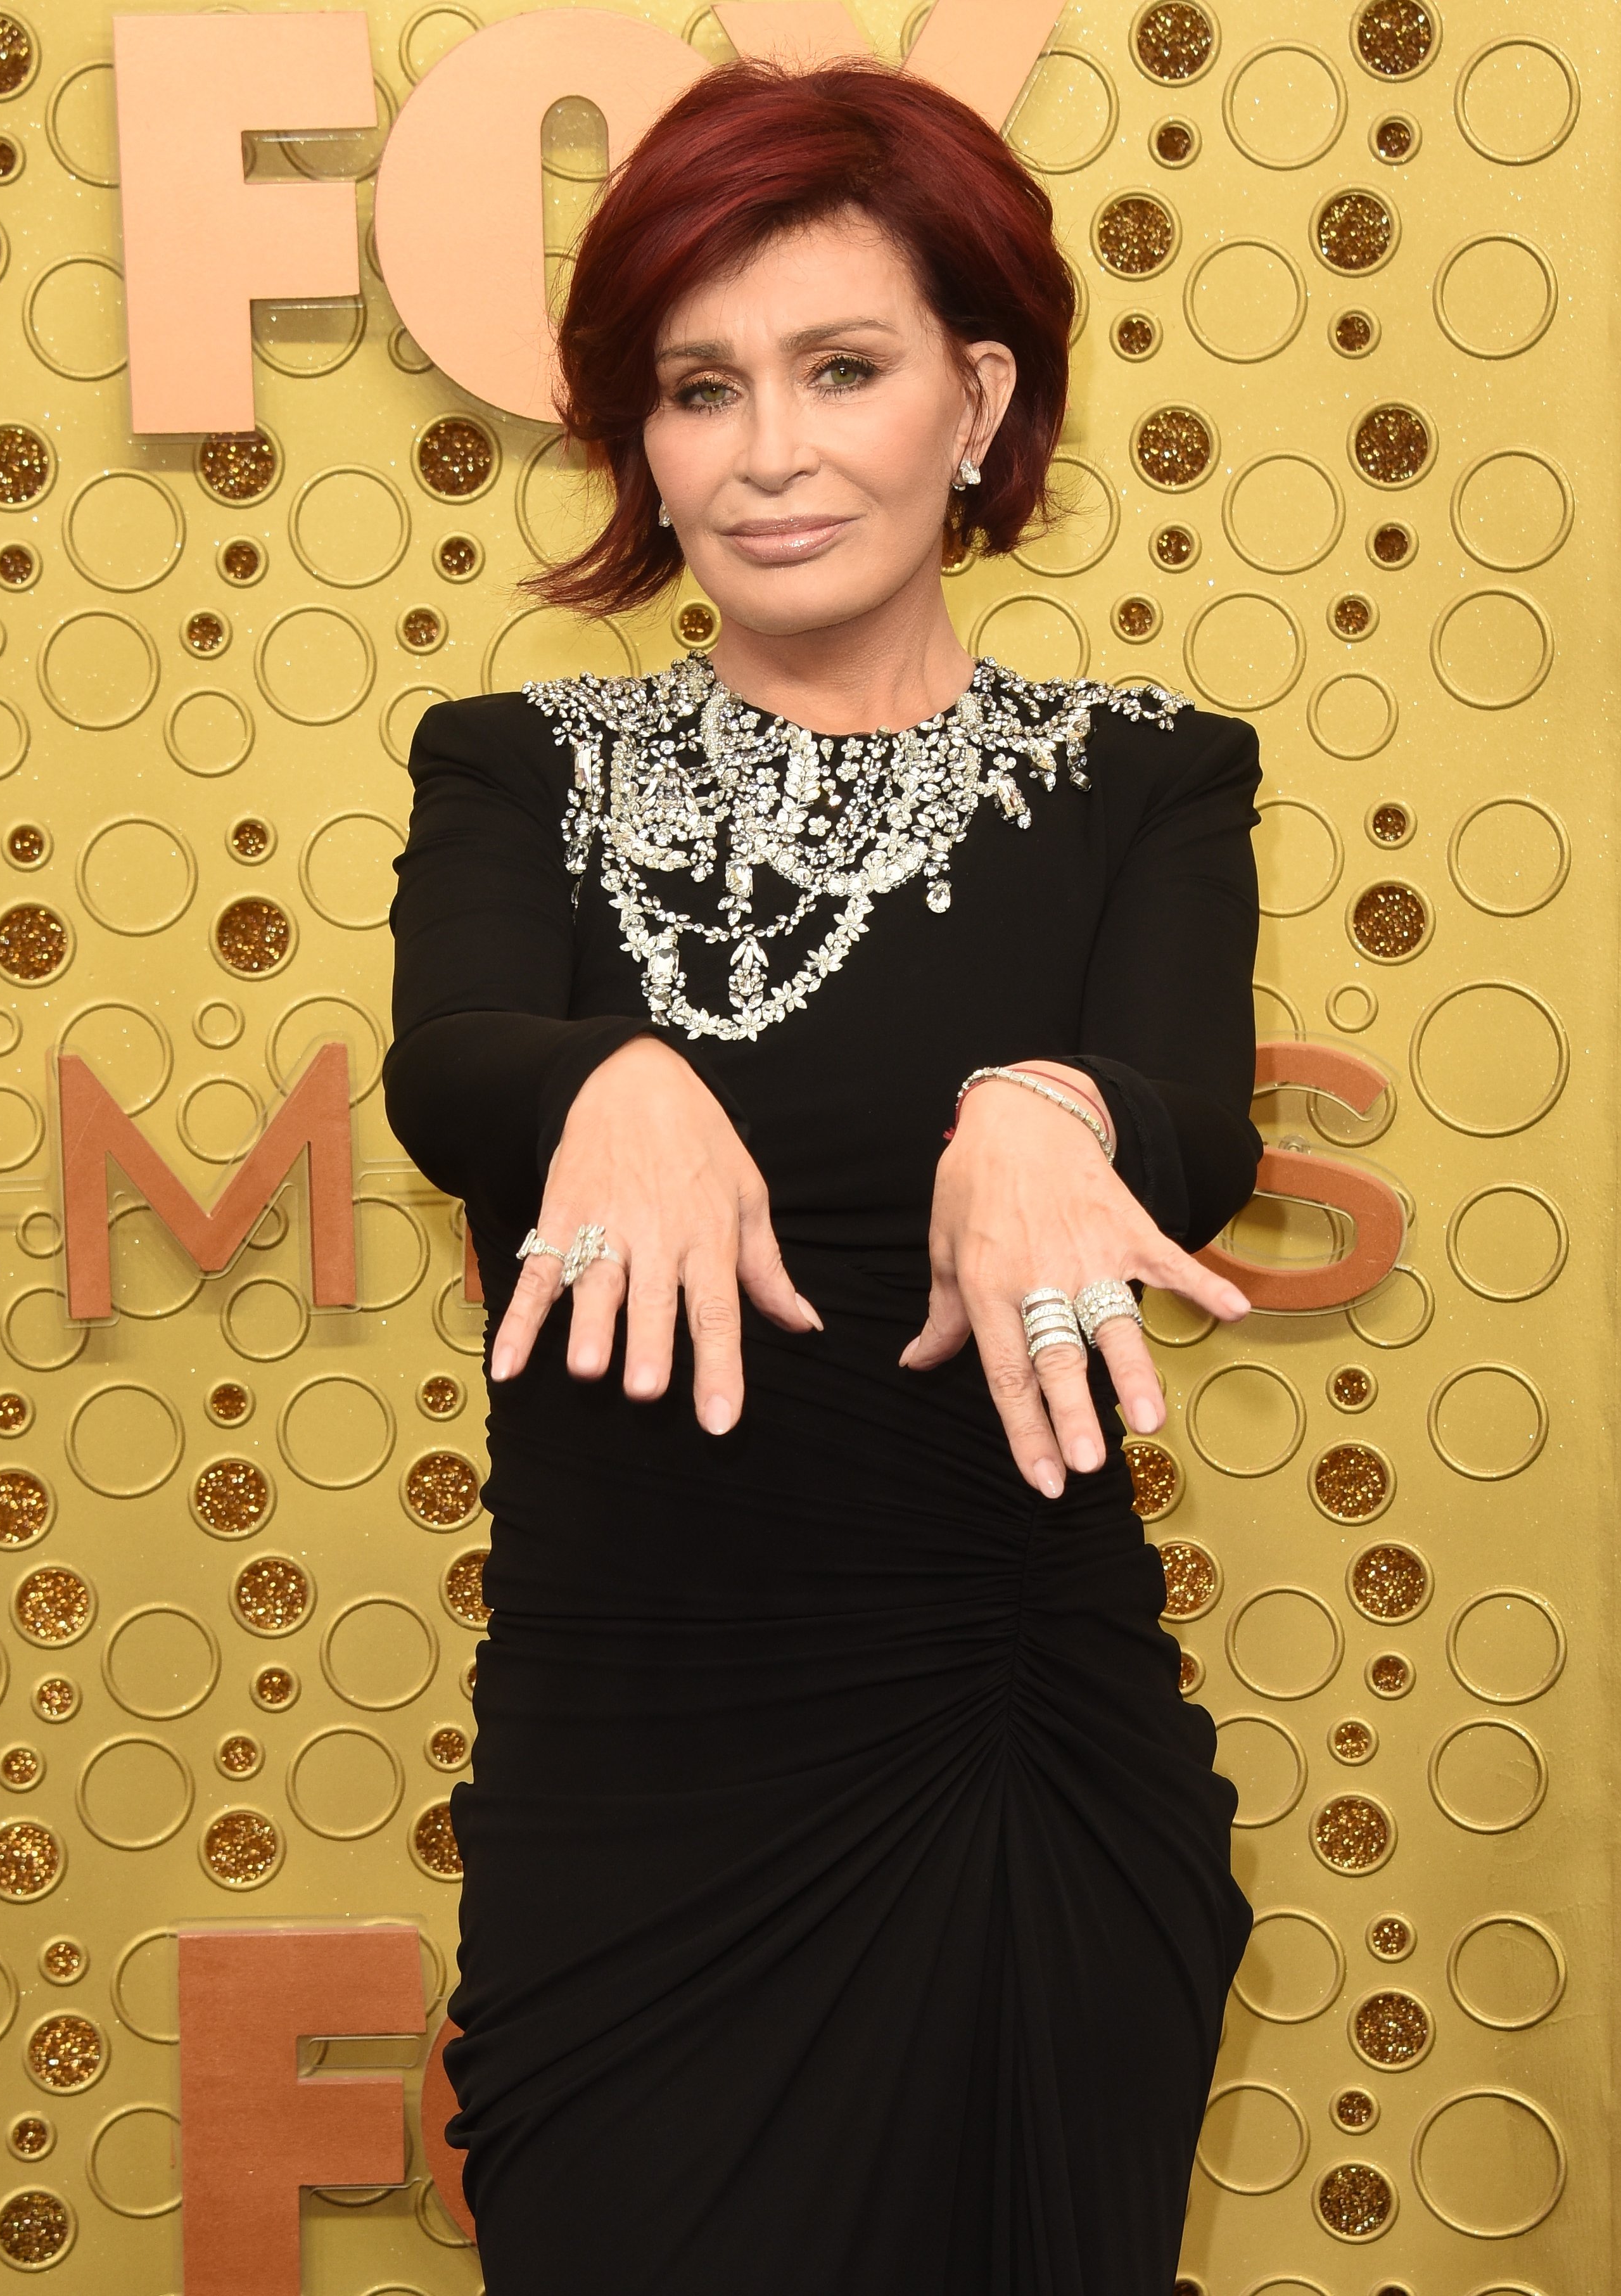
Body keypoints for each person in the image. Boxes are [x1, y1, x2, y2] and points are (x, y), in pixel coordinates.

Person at [383, 58, 1264, 2293]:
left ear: (975, 400)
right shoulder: (517, 768)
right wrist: (616, 1081)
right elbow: (450, 1063)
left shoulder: (1144, 780)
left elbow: (1197, 1111)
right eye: (701, 386)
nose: (766, 452)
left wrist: (1048, 1110)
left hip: (1013, 1780)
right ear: (640, 437)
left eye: (839, 368)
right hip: (629, 1817)